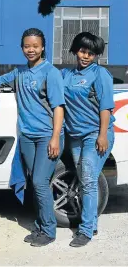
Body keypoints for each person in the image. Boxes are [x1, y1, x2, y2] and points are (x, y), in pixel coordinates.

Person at [0, 28, 65, 247]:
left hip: (47, 135)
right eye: (27, 46)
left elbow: (58, 108)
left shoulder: (51, 72)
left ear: (43, 47)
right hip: (27, 136)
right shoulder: (19, 73)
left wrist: (55, 137)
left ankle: (49, 230)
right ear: (22, 48)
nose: (31, 50)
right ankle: (40, 225)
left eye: (35, 46)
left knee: (39, 181)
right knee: (35, 183)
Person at [62, 32, 115, 247]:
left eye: (91, 53)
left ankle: (85, 231)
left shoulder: (100, 74)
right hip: (75, 136)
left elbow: (105, 107)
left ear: (96, 56)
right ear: (75, 50)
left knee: (88, 180)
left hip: (96, 134)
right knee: (85, 179)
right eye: (83, 51)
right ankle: (90, 223)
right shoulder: (66, 74)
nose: (85, 56)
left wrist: (102, 135)